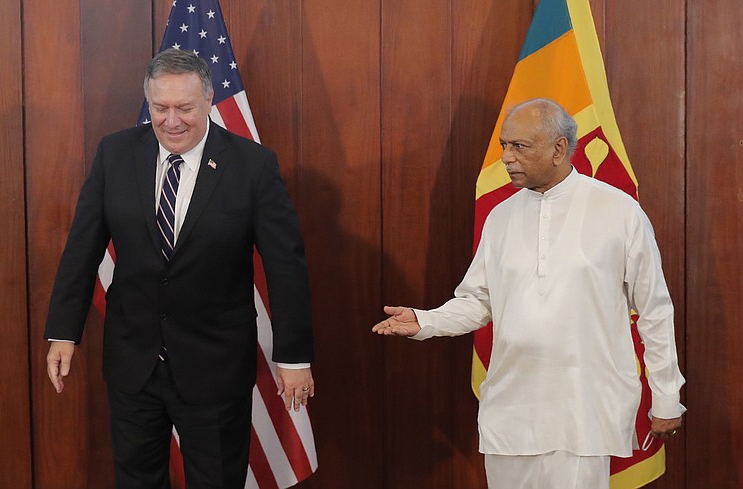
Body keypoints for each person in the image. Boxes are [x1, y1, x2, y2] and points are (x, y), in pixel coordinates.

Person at [372, 98, 685, 488]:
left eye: (519, 146)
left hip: (584, 407)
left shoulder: (619, 211)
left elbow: (654, 309)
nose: (506, 157)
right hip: (512, 409)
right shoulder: (500, 216)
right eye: (505, 145)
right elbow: (479, 302)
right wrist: (425, 320)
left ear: (558, 148)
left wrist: (667, 395)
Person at [44, 49, 314, 489]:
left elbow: (287, 267)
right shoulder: (115, 153)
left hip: (215, 366)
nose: (171, 121)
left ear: (209, 101)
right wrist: (63, 331)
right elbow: (81, 249)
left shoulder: (253, 166)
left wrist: (293, 357)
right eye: (160, 108)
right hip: (134, 363)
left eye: (184, 108)